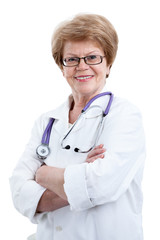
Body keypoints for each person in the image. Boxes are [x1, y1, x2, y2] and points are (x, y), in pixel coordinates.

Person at [10, 13, 146, 240]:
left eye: (93, 57)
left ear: (109, 63)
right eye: (72, 59)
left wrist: (43, 175)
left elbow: (100, 185)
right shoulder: (47, 122)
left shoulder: (125, 116)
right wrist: (80, 172)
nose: (82, 67)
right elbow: (18, 192)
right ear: (62, 67)